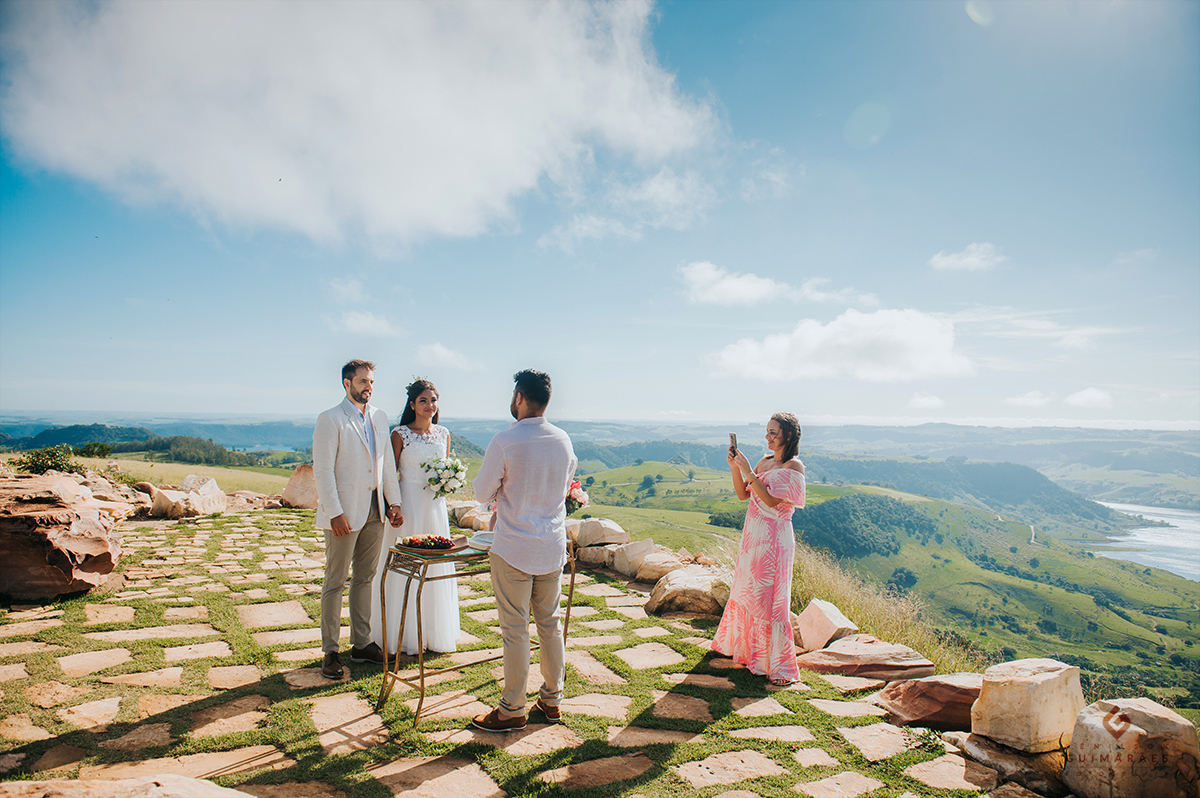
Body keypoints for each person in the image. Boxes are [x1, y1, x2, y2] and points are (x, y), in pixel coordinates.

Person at [471, 370, 577, 732]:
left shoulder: (505, 441)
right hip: (550, 545)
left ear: (519, 397)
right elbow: (563, 488)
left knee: (515, 629)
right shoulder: (563, 440)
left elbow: (481, 493)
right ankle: (552, 701)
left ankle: (512, 707)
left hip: (514, 545)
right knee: (549, 624)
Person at [312, 359, 404, 680]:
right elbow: (323, 471)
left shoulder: (379, 417)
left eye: (371, 382)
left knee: (365, 577)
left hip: (376, 510)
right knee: (335, 581)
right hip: (344, 514)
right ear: (347, 383)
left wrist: (394, 502)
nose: (368, 386)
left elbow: (386, 464)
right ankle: (330, 652)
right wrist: (334, 512)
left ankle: (362, 644)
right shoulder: (330, 419)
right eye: (363, 381)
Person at [711, 412, 806, 687]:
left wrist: (748, 470)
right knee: (747, 592)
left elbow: (772, 501)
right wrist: (734, 467)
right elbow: (744, 495)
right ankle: (745, 651)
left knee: (770, 599)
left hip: (775, 540)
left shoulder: (794, 467)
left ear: (788, 435)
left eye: (773, 432)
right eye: (767, 431)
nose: (768, 436)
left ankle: (776, 664)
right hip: (753, 536)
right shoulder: (764, 462)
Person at [370, 378, 461, 656]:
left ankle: (434, 632)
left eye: (433, 400)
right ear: (412, 404)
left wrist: (448, 482)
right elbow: (389, 474)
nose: (429, 405)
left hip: (434, 507)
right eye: (423, 400)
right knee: (404, 565)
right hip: (407, 506)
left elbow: (442, 469)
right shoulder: (399, 434)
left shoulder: (443, 434)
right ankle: (401, 632)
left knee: (435, 567)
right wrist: (393, 506)